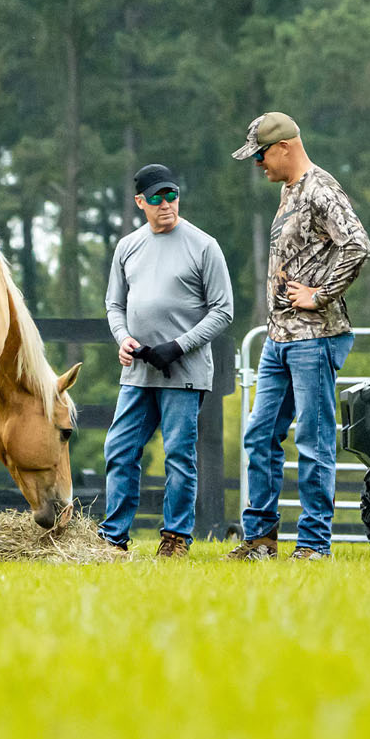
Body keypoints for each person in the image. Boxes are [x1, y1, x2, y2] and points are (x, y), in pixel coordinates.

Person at [227, 113, 370, 561]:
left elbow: (357, 244)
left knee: (312, 438)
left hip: (314, 337)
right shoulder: (290, 189)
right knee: (259, 435)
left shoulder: (320, 189)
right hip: (279, 338)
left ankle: (313, 545)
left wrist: (321, 294)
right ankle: (260, 541)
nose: (257, 164)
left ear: (286, 146)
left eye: (261, 154)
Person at [100, 163, 235, 560]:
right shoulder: (128, 246)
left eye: (171, 194)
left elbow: (223, 310)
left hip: (185, 372)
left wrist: (178, 346)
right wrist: (123, 339)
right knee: (119, 449)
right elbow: (114, 304)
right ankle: (114, 539)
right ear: (140, 202)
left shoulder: (203, 245)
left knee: (179, 455)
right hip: (138, 371)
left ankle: (175, 538)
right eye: (156, 197)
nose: (166, 204)